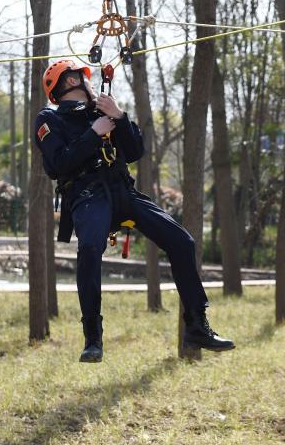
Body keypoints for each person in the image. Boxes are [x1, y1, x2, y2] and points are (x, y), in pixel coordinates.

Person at [34, 60, 235, 362]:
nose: (91, 83)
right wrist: (93, 134)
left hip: (122, 192)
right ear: (70, 82)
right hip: (88, 196)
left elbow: (135, 151)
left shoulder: (105, 112)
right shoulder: (49, 119)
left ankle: (197, 324)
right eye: (84, 79)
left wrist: (119, 116)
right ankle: (93, 338)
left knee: (182, 242)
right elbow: (57, 165)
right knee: (89, 248)